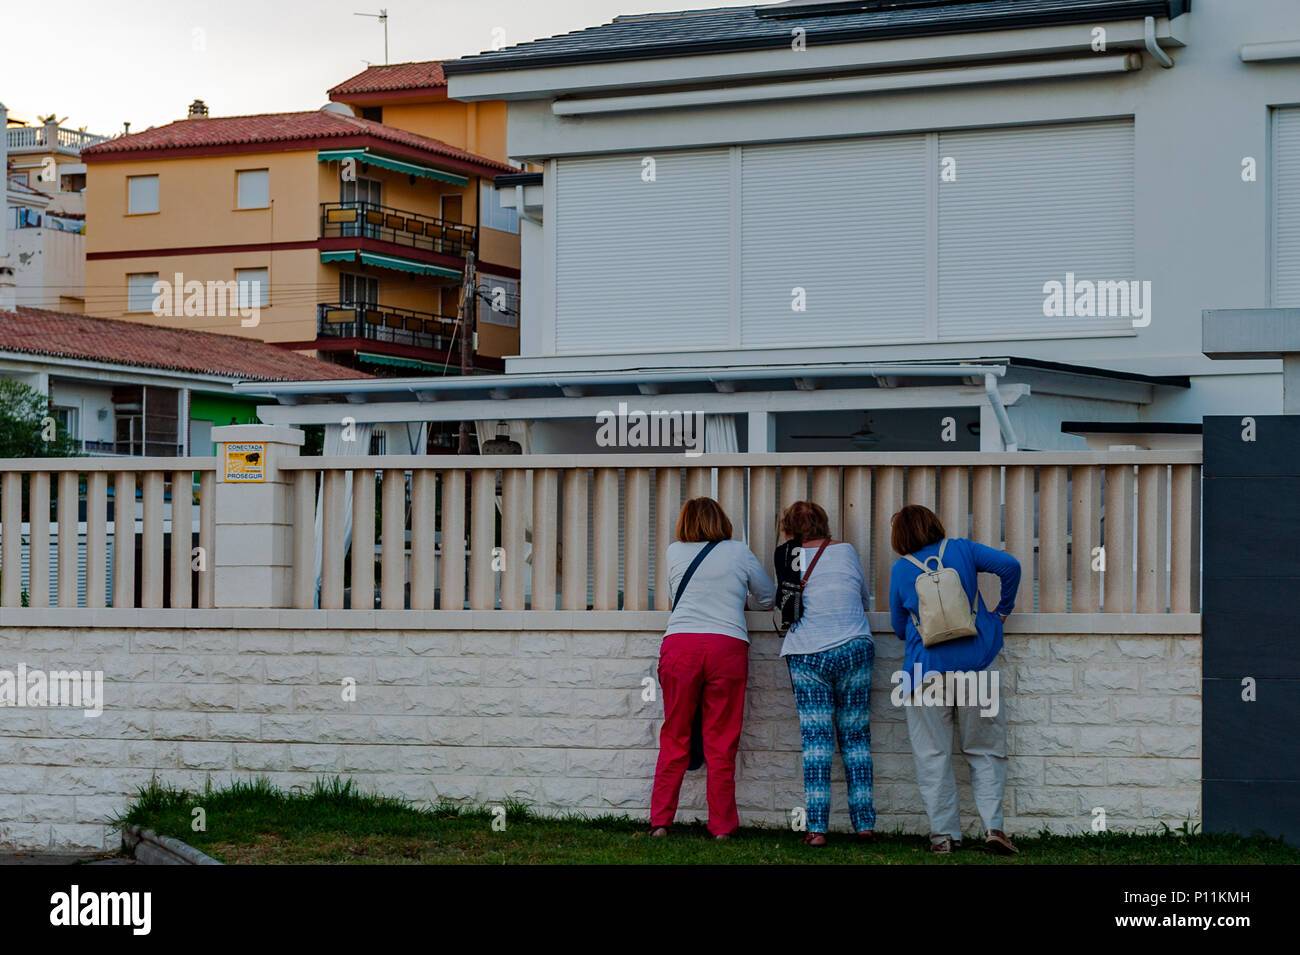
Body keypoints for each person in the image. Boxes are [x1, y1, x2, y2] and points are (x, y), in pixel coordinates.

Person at [888, 504, 1021, 855]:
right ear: (934, 524)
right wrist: (1002, 610)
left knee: (932, 754)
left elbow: (899, 627)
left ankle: (943, 836)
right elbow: (1011, 566)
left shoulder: (901, 569)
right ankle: (994, 828)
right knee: (986, 750)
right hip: (976, 666)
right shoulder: (963, 549)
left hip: (924, 672)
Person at [650, 497, 775, 840]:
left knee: (675, 734)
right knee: (721, 740)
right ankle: (721, 828)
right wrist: (737, 598)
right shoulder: (738, 551)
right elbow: (767, 597)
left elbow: (675, 596)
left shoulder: (674, 552)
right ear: (721, 520)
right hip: (726, 645)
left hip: (680, 644)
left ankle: (660, 822)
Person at [775, 501, 876, 847]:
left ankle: (816, 830)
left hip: (807, 653)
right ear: (823, 523)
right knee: (856, 738)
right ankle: (864, 825)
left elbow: (785, 604)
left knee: (816, 744)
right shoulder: (846, 551)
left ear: (788, 528)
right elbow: (863, 598)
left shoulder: (787, 556)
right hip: (854, 648)